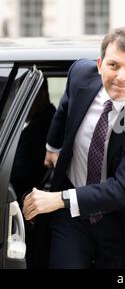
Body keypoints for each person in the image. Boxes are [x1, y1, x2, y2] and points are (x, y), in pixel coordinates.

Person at [22, 27, 125, 269]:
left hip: (123, 219)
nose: (121, 76)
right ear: (100, 64)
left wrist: (59, 199)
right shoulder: (80, 74)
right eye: (113, 65)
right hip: (72, 214)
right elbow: (64, 107)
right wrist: (53, 145)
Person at [10, 78, 56, 268]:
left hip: (30, 209)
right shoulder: (49, 121)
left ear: (42, 94)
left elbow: (17, 177)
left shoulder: (38, 130)